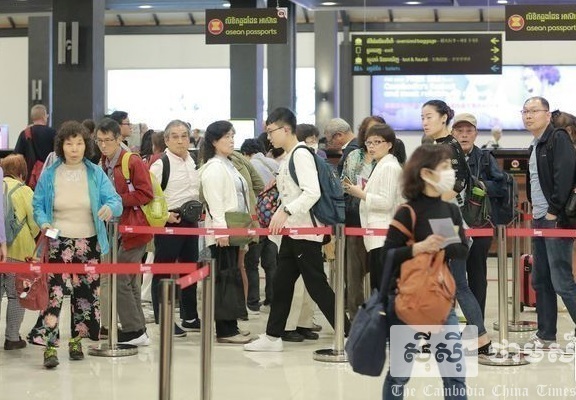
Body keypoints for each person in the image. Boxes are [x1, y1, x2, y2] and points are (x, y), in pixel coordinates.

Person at [245, 107, 350, 352]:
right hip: (294, 232)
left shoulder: (300, 154)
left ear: (285, 129)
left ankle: (349, 333)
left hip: (305, 232)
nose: (269, 136)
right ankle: (273, 337)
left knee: (317, 285)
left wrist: (286, 210)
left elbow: (312, 192)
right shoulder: (291, 155)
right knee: (282, 284)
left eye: (271, 131)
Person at [28, 120, 122, 369]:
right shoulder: (51, 173)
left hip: (89, 241)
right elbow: (37, 204)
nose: (74, 149)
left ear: (86, 145)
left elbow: (116, 200)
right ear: (61, 146)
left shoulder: (95, 173)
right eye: (69, 144)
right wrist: (43, 221)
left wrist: (109, 208)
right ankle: (50, 347)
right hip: (57, 240)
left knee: (86, 295)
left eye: (79, 143)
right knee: (54, 294)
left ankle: (76, 342)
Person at [381, 144, 469, 400]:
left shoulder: (450, 210)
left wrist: (445, 243)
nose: (450, 172)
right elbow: (387, 255)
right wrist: (418, 248)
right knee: (399, 374)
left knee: (454, 372)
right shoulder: (408, 211)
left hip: (441, 299)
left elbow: (461, 251)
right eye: (444, 167)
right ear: (426, 173)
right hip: (406, 301)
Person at [421, 99, 491, 354]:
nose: (425, 122)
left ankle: (476, 337)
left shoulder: (448, 146)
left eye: (429, 116)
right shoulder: (437, 145)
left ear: (443, 118)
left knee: (453, 284)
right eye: (422, 117)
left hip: (446, 223)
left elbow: (459, 183)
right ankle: (477, 338)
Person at [522, 96, 576, 351]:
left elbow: (564, 175)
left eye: (534, 111)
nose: (528, 115)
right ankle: (545, 336)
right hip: (539, 219)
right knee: (540, 279)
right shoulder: (535, 144)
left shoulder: (558, 138)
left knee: (561, 281)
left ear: (547, 114)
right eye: (525, 111)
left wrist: (553, 211)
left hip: (555, 220)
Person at [96, 117, 153, 346]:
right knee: (127, 281)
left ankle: (133, 331)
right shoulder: (103, 163)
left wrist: (116, 201)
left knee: (120, 278)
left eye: (108, 140)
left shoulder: (131, 160)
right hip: (115, 231)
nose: (103, 145)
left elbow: (146, 193)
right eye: (99, 140)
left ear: (119, 139)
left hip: (134, 229)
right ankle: (138, 330)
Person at [199, 120, 253, 344]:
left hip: (234, 229)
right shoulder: (214, 168)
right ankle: (225, 330)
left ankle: (231, 325)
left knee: (231, 276)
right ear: (214, 141)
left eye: (233, 136)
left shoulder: (228, 164)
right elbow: (215, 203)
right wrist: (220, 232)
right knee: (224, 279)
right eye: (226, 137)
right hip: (222, 232)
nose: (231, 141)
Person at [149, 120, 201, 337]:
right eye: (175, 136)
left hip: (192, 221)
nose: (180, 141)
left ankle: (190, 316)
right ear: (167, 140)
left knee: (190, 269)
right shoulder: (160, 165)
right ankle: (164, 319)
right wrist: (165, 216)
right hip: (170, 221)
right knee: (163, 270)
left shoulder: (193, 161)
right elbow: (149, 197)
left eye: (184, 136)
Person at [452, 113, 505, 318]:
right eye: (459, 131)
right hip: (450, 224)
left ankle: (476, 324)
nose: (464, 135)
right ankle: (447, 323)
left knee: (477, 275)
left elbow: (501, 186)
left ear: (476, 134)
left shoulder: (485, 158)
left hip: (479, 224)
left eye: (469, 131)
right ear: (452, 133)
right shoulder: (444, 155)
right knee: (448, 276)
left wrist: (478, 185)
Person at [343, 123, 404, 292]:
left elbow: (386, 202)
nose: (372, 146)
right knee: (379, 287)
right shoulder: (381, 164)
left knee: (382, 289)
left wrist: (360, 194)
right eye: (369, 142)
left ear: (389, 144)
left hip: (383, 235)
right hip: (378, 236)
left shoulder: (389, 167)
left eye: (377, 142)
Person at [341, 115, 380, 320]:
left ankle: (377, 315)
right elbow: (343, 182)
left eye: (378, 133)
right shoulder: (354, 156)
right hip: (355, 218)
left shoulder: (389, 160)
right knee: (354, 273)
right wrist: (354, 189)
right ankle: (356, 317)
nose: (373, 139)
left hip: (380, 220)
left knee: (379, 272)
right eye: (370, 133)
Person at [0, 155, 37, 350]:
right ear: (22, 172)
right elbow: (35, 222)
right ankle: (12, 338)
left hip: (1, 249)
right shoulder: (24, 191)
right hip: (20, 251)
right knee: (16, 296)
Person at [239, 138, 278, 314]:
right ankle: (272, 298)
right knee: (271, 263)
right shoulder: (274, 164)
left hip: (256, 219)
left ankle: (252, 301)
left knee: (252, 263)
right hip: (274, 220)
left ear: (245, 153)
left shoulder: (247, 166)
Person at [13, 104, 57, 186]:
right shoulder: (53, 133)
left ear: (32, 117)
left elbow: (17, 156)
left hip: (29, 178)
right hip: (48, 177)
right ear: (44, 116)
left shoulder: (25, 133)